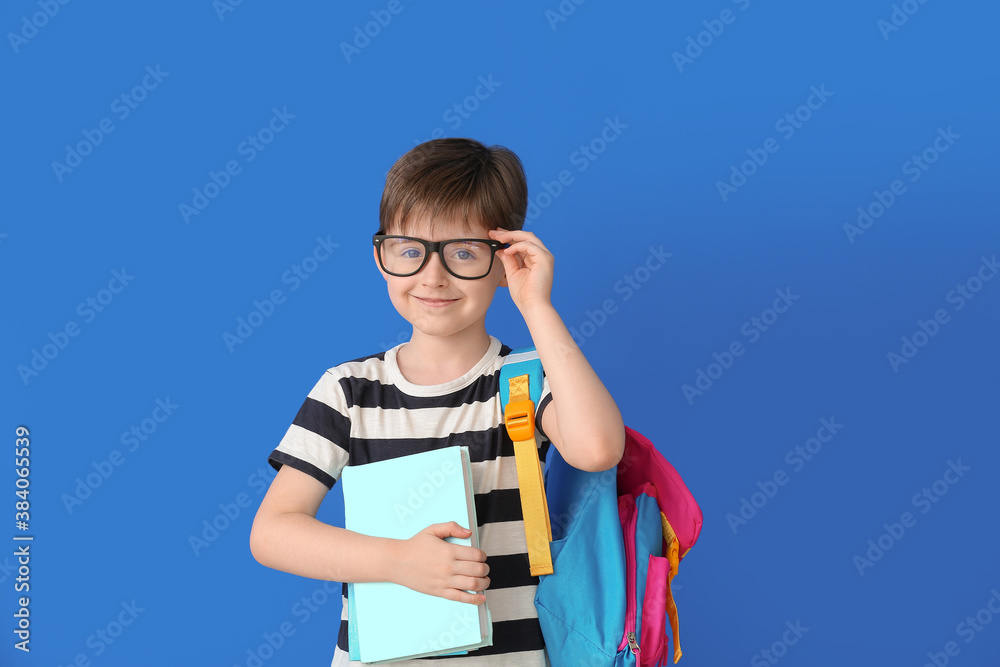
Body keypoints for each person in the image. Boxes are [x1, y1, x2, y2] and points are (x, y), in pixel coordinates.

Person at [249, 138, 625, 665]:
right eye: (409, 251)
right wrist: (396, 561)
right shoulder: (349, 390)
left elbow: (599, 448)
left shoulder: (523, 380)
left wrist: (535, 304)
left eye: (464, 253)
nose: (432, 276)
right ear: (381, 259)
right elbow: (273, 532)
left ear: (505, 260)